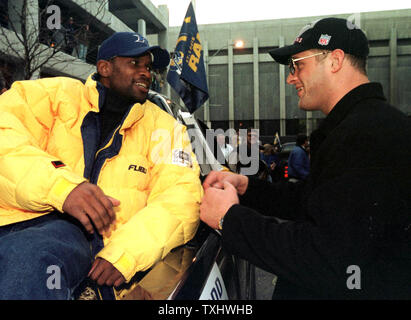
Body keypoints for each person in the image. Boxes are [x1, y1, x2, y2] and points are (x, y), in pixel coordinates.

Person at [200, 17, 411, 299]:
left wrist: (230, 220)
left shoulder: (368, 134)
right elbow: (318, 203)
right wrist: (247, 188)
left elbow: (332, 262)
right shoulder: (357, 125)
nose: (290, 77)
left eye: (298, 65)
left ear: (335, 60)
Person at [0, 32, 202, 299]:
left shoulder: (166, 129)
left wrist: (126, 254)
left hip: (73, 241)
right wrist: (63, 188)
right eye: (135, 64)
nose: (146, 73)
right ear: (105, 67)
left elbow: (181, 198)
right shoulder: (52, 94)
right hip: (13, 218)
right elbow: (5, 136)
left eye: (148, 67)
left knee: (28, 260)